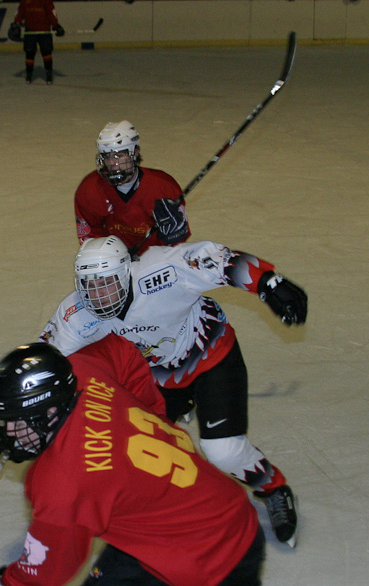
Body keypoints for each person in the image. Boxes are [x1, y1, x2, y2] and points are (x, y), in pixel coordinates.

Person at [0, 337, 342, 586]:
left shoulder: (63, 481)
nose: (7, 432)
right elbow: (120, 351)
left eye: (16, 422)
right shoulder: (81, 371)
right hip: (156, 528)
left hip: (219, 545)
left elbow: (53, 563)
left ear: (50, 409)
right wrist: (152, 415)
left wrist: (14, 585)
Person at [39, 235, 308, 546]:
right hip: (160, 379)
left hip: (210, 355)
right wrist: (27, 402)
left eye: (107, 282)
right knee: (133, 451)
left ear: (127, 272)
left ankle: (273, 487)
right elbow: (47, 361)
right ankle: (169, 509)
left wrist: (268, 283)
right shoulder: (76, 314)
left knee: (223, 451)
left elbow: (219, 261)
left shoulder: (161, 271)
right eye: (90, 285)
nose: (99, 296)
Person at [75, 120, 192, 255]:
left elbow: (178, 243)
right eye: (107, 157)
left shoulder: (163, 187)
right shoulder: (90, 189)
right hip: (114, 260)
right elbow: (91, 237)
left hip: (158, 258)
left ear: (135, 152)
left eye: (119, 156)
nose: (113, 163)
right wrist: (112, 256)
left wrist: (174, 236)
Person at [8, 0, 65, 85]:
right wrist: (16, 23)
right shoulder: (25, 1)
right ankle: (29, 74)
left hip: (44, 30)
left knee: (46, 52)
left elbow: (50, 14)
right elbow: (20, 12)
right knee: (29, 53)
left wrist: (55, 25)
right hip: (30, 30)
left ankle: (49, 74)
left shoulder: (46, 1)